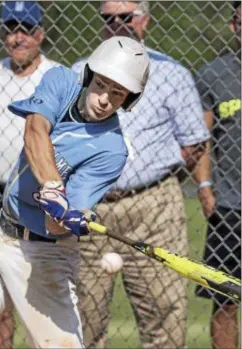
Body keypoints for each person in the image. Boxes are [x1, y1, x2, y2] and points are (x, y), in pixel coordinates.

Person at [0, 36, 150, 349]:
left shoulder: (111, 150)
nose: (105, 99)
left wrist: (68, 218)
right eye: (101, 85)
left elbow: (57, 227)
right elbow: (35, 130)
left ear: (129, 99)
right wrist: (53, 186)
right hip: (0, 234)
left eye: (117, 93)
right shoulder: (61, 81)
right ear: (88, 77)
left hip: (45, 256)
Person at [72, 1, 210, 348]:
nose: (117, 23)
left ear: (144, 21)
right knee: (82, 321)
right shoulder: (78, 72)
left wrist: (154, 171)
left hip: (153, 207)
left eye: (126, 16)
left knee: (164, 317)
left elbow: (194, 142)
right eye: (109, 18)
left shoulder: (171, 72)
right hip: (90, 208)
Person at [0, 1, 59, 347]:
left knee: (43, 294)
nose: (18, 38)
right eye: (11, 29)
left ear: (40, 35)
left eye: (26, 29)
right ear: (2, 34)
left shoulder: (57, 76)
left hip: (41, 197)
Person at [194, 2, 241, 348]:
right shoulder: (213, 73)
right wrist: (206, 187)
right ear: (233, 26)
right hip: (230, 204)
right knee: (225, 299)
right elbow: (202, 138)